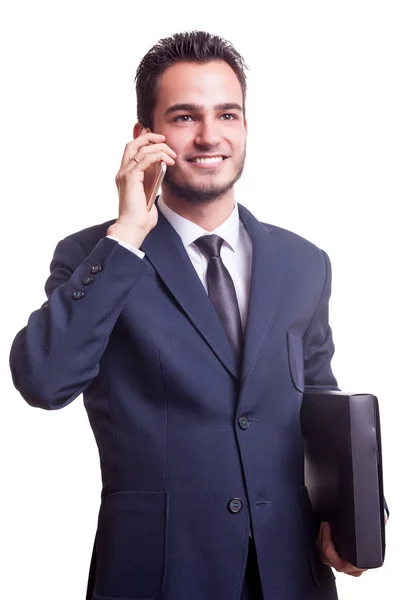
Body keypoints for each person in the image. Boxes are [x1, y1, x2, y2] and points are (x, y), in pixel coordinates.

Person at [9, 30, 367, 600]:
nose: (210, 136)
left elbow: (323, 403)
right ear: (144, 137)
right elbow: (43, 381)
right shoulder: (95, 257)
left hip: (290, 574)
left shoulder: (304, 263)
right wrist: (126, 233)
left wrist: (355, 515)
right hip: (158, 577)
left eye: (228, 113)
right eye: (184, 116)